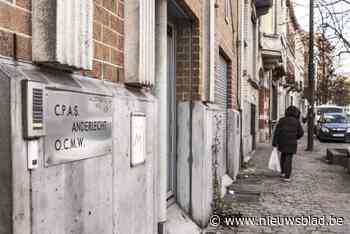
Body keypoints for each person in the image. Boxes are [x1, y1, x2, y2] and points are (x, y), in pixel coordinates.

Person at [272, 106, 304, 182]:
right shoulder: (296, 121)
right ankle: (287, 176)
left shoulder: (282, 120)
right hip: (292, 142)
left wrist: (275, 142)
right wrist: (296, 137)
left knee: (283, 155)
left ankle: (283, 172)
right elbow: (301, 133)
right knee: (289, 158)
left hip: (282, 141)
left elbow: (277, 132)